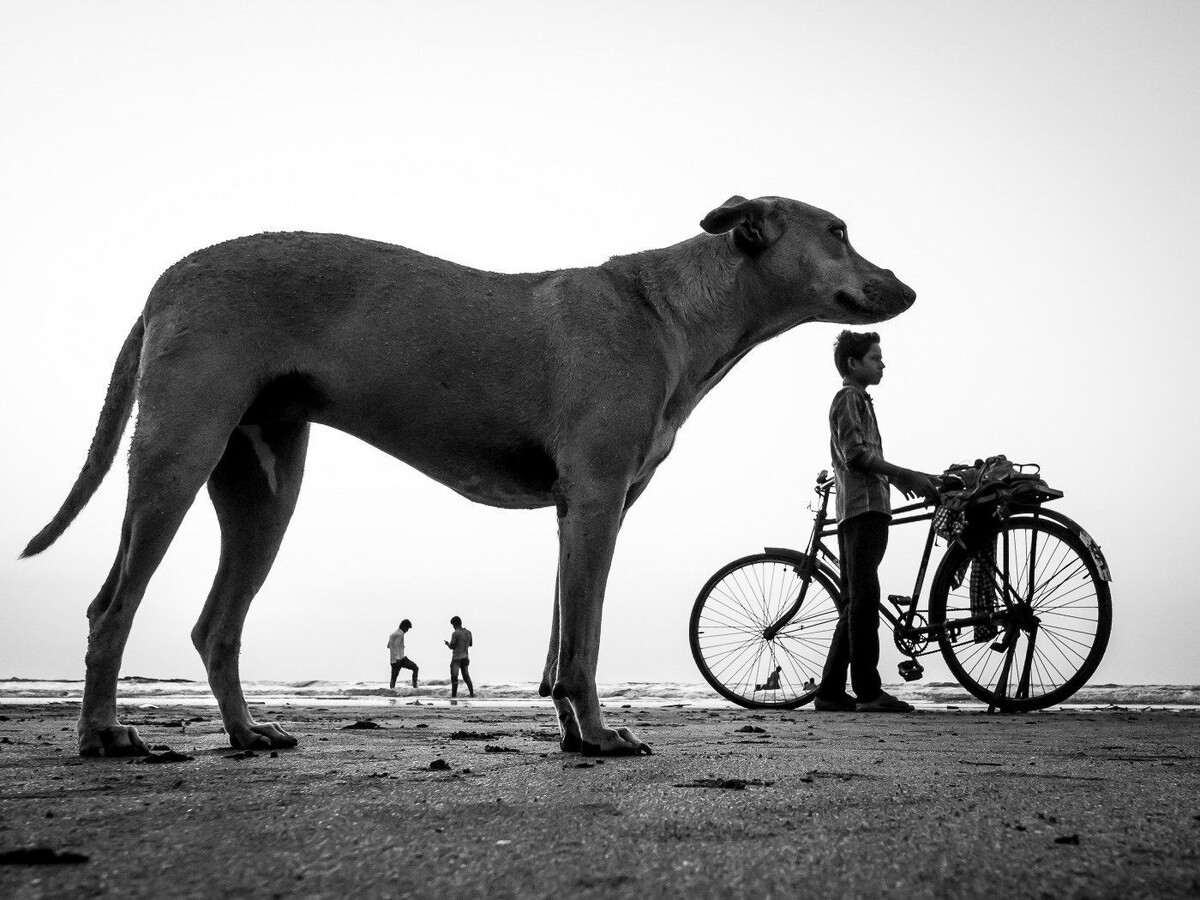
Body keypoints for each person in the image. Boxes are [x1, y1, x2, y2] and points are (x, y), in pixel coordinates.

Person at [815, 331, 940, 714]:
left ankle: (831, 693)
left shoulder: (859, 401)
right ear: (854, 364)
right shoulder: (850, 398)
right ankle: (868, 692)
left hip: (863, 508)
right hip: (862, 510)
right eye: (875, 357)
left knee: (854, 602)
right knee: (864, 601)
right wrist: (904, 475)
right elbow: (855, 455)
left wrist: (898, 477)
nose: (882, 363)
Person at [444, 615, 475, 698]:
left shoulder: (455, 633)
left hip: (456, 658)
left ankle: (454, 696)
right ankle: (472, 694)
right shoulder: (468, 632)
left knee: (454, 678)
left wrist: (447, 644)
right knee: (466, 677)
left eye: (453, 625)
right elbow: (471, 644)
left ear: (454, 624)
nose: (453, 627)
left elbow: (452, 646)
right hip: (465, 657)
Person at [386, 619, 419, 690]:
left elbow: (388, 646)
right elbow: (396, 646)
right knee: (415, 668)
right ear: (404, 626)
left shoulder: (392, 634)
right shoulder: (400, 634)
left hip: (393, 660)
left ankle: (392, 692)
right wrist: (398, 657)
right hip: (400, 659)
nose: (407, 630)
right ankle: (415, 686)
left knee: (393, 678)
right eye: (407, 628)